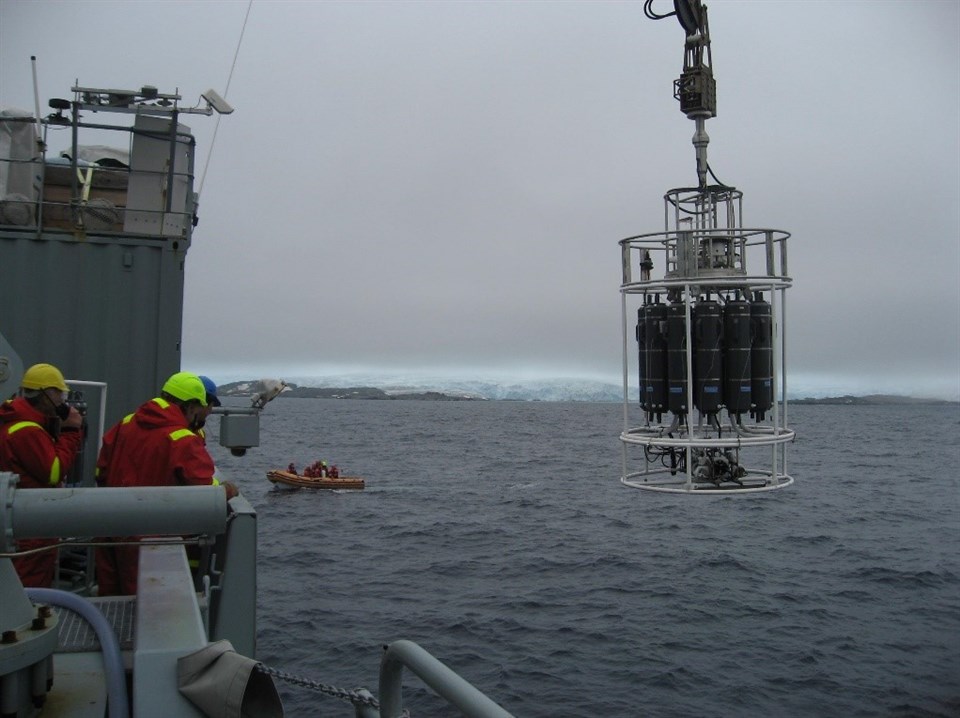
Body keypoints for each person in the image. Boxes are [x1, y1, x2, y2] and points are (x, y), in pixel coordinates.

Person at [95, 371, 238, 596]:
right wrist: (227, 490)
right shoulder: (182, 439)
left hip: (109, 528)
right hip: (151, 543)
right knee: (145, 607)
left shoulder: (126, 422)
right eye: (200, 409)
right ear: (190, 407)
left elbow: (100, 471)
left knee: (111, 600)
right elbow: (206, 493)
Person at [0, 363, 83, 586]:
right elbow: (54, 472)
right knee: (30, 591)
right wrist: (71, 431)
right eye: (60, 394)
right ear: (48, 394)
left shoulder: (17, 420)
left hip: (18, 522)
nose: (62, 401)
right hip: (30, 528)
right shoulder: (27, 431)